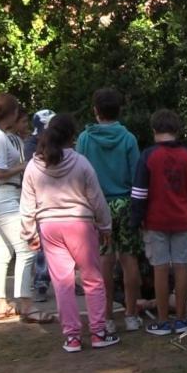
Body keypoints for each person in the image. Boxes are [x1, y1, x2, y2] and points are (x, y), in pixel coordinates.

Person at [20, 114, 117, 353]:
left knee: (62, 283)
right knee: (93, 279)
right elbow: (96, 197)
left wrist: (29, 233)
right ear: (71, 137)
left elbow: (27, 203)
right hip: (80, 226)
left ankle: (72, 337)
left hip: (50, 227)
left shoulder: (34, 165)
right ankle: (98, 332)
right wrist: (106, 226)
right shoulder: (81, 162)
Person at [130, 109, 187, 336]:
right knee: (181, 266)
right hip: (183, 220)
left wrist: (135, 221)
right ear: (177, 130)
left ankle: (162, 321)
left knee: (160, 268)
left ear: (154, 131)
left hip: (155, 221)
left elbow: (139, 193)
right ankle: (181, 319)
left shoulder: (148, 156)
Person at [76, 88, 143, 333]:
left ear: (96, 110)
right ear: (119, 110)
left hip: (97, 206)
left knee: (103, 262)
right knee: (129, 259)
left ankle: (105, 318)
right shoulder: (128, 138)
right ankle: (131, 315)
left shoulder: (84, 139)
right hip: (125, 203)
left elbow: (79, 174)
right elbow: (138, 175)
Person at [0, 93, 47, 323]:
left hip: (0, 197)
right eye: (17, 111)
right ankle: (26, 305)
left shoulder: (4, 136)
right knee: (27, 249)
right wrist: (25, 165)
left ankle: (0, 303)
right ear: (11, 113)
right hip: (3, 195)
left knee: (4, 251)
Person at [24, 109, 56, 301]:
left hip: (56, 199)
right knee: (42, 246)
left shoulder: (56, 144)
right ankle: (41, 283)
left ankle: (68, 281)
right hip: (38, 201)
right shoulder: (31, 145)